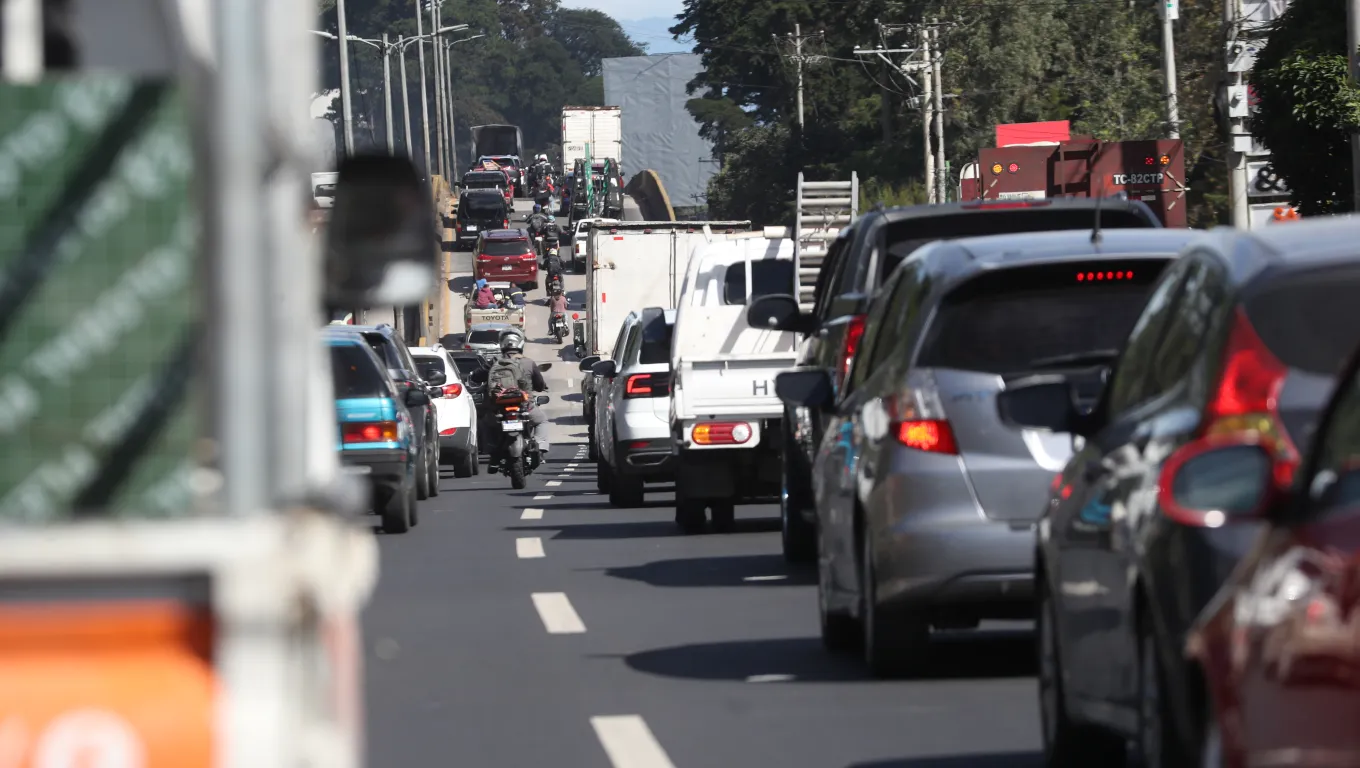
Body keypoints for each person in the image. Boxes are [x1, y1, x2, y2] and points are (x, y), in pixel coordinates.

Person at [483, 328, 547, 439]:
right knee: (542, 421)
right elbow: (539, 385)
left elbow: (476, 376)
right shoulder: (528, 362)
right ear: (520, 344)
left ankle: (490, 448)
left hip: (498, 407)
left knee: (484, 423)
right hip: (525, 406)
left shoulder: (493, 361)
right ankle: (540, 445)